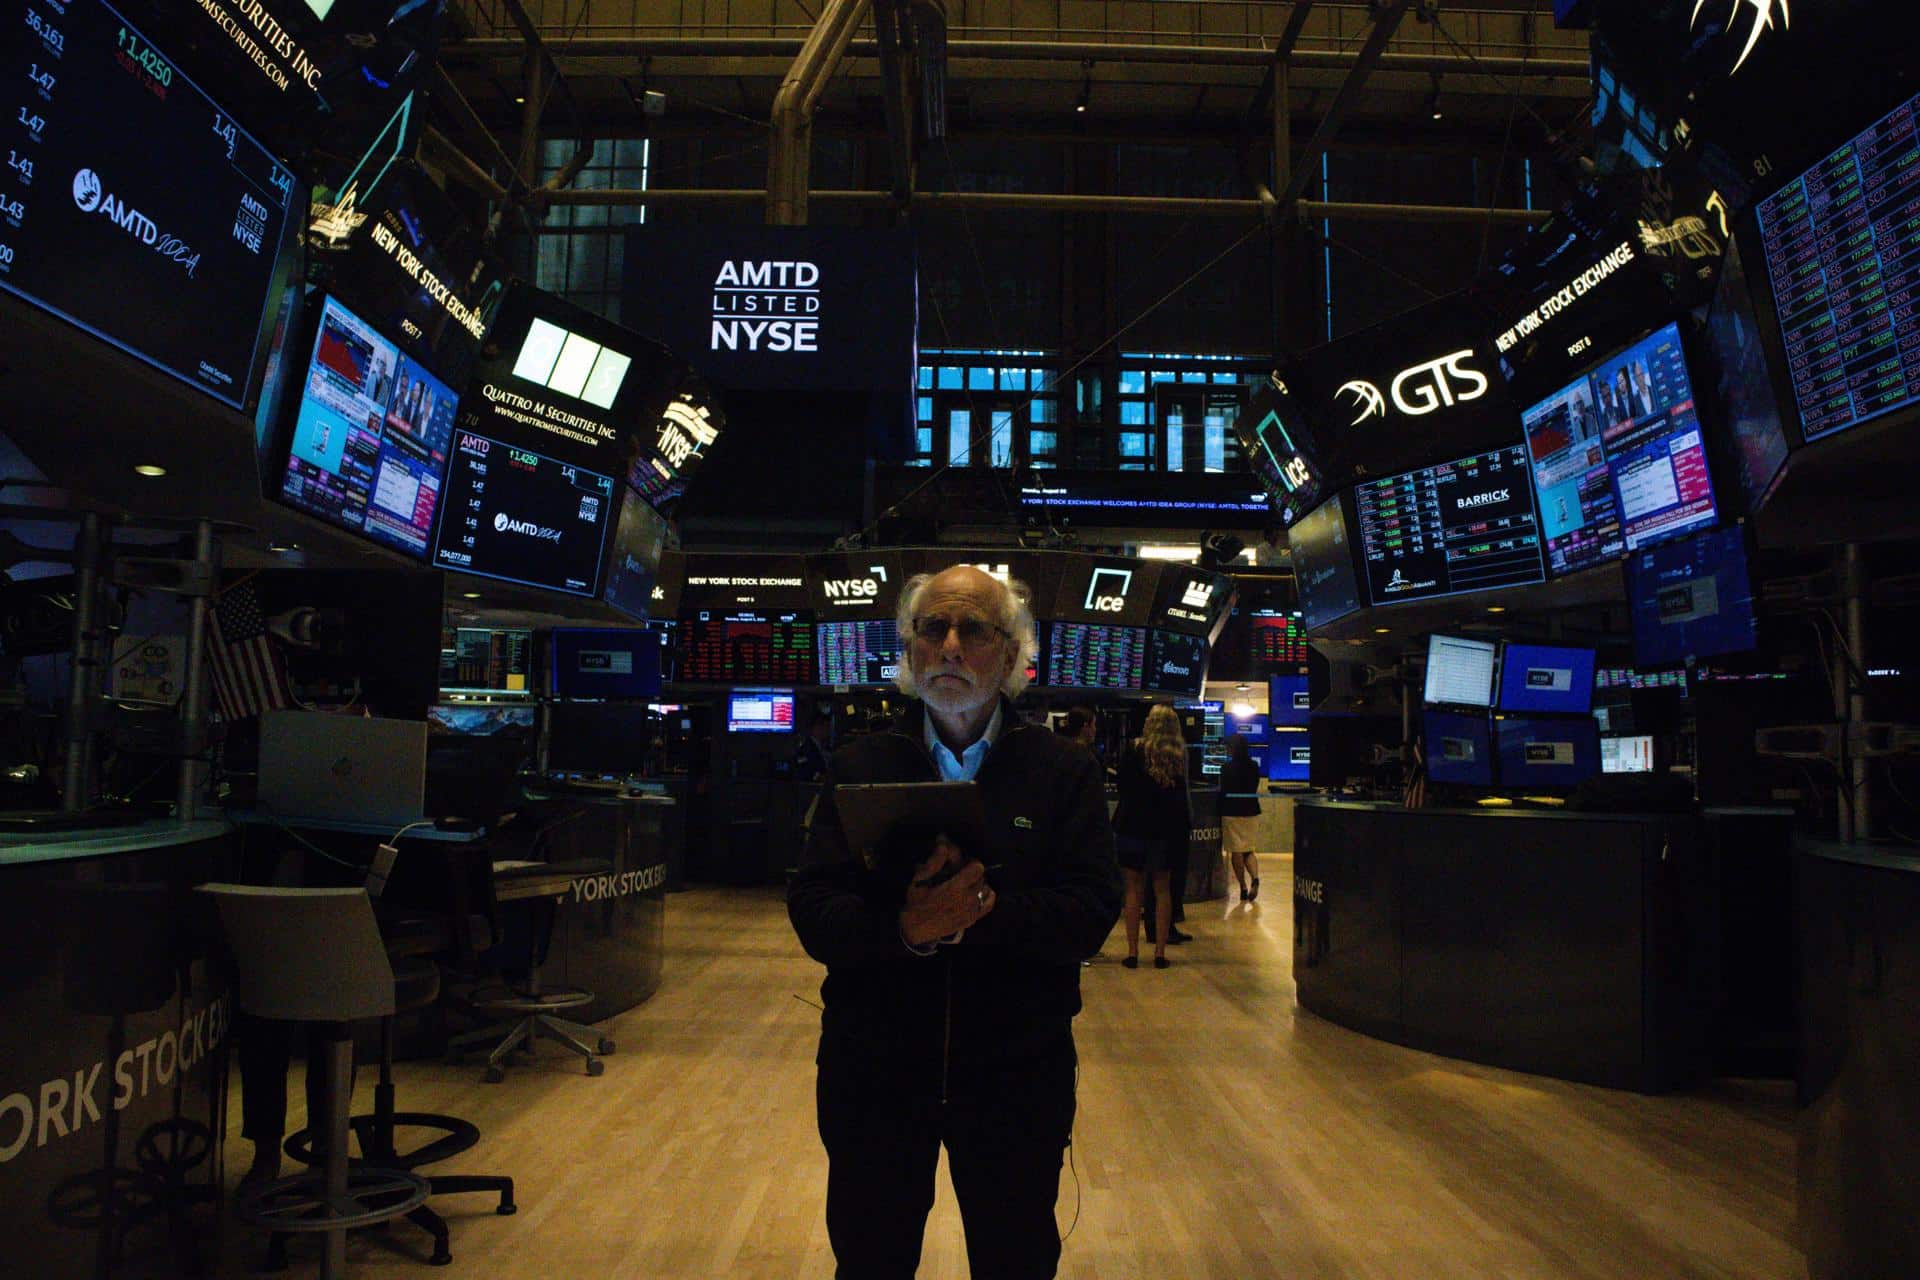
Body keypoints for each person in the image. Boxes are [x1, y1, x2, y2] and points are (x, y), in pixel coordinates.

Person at [788, 564, 1121, 1280]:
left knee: (1016, 1260)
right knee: (871, 1262)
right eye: (931, 629)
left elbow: (1092, 910)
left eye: (972, 628)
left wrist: (980, 913)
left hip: (1015, 1078)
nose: (949, 645)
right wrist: (905, 930)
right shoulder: (859, 765)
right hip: (873, 1074)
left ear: (1010, 654)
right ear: (909, 653)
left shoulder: (1063, 771)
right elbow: (815, 909)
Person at [1110, 703, 1190, 969]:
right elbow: (1180, 798)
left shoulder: (1134, 749)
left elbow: (1122, 786)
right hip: (1165, 832)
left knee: (1133, 890)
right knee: (1162, 890)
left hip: (1132, 827)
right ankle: (1159, 953)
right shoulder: (1178, 754)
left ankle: (1132, 952)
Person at [1219, 734, 1263, 902]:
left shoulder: (1226, 768)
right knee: (1249, 850)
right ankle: (1255, 879)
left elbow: (1223, 792)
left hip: (1231, 813)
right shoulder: (1253, 766)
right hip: (1251, 812)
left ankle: (1243, 887)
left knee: (1236, 851)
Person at [793, 709, 833, 783]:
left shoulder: (826, 748)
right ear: (816, 728)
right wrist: (818, 777)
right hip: (811, 789)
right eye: (826, 727)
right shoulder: (805, 749)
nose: (828, 731)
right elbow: (803, 771)